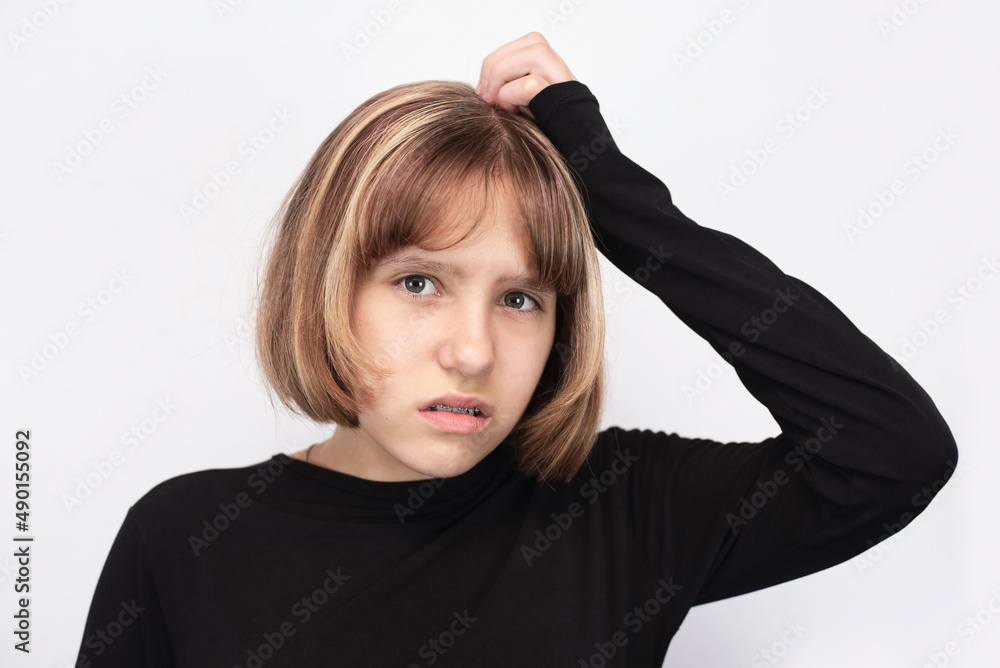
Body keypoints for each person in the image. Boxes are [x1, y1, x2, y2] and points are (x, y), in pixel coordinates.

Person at [75, 32, 958, 667]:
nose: (472, 352)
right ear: (326, 286)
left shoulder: (622, 510)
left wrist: (613, 197)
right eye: (418, 283)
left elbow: (891, 454)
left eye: (520, 298)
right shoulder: (185, 538)